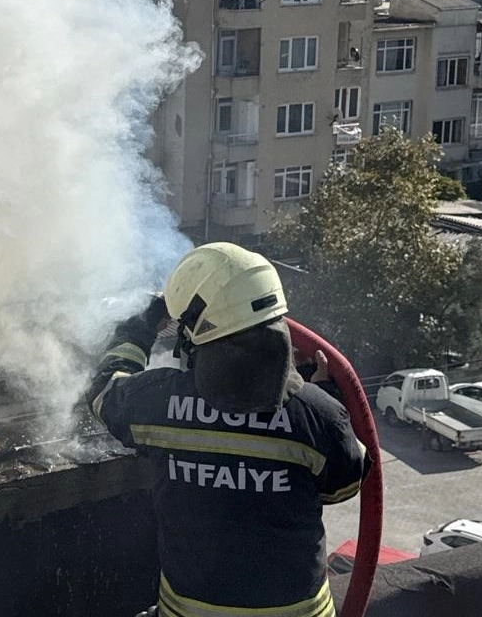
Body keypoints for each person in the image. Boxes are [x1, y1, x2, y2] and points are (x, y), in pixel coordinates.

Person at [87, 242, 367, 617]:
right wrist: (320, 395)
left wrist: (139, 327)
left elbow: (104, 389)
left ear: (196, 336)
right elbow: (343, 485)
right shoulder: (319, 415)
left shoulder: (159, 404)